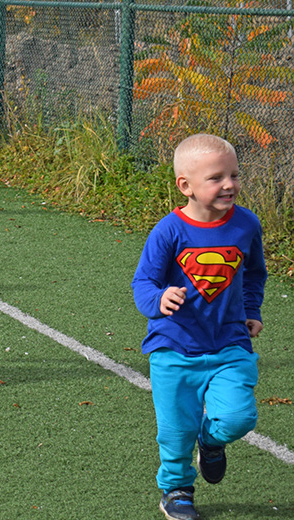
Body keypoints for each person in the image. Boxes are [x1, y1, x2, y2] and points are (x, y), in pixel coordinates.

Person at [131, 134, 267, 520]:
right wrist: (158, 301)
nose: (229, 184)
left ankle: (210, 442)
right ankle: (176, 490)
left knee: (240, 416)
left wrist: (251, 309)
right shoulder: (169, 231)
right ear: (185, 186)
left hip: (230, 343)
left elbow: (255, 274)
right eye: (216, 178)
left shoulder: (246, 224)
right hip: (173, 347)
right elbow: (143, 283)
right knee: (175, 432)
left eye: (234, 175)